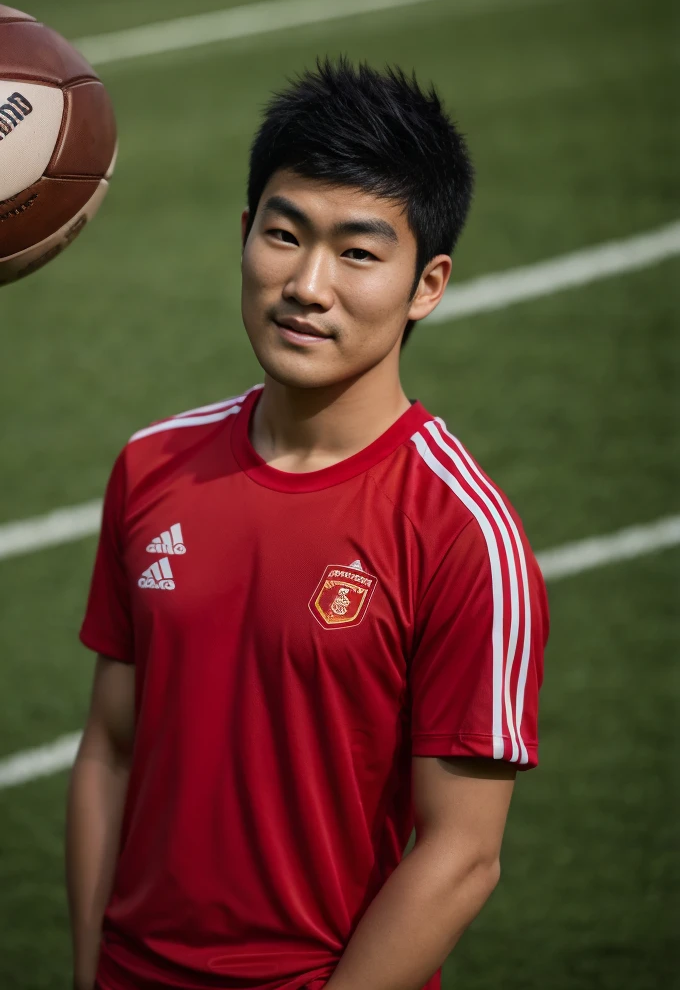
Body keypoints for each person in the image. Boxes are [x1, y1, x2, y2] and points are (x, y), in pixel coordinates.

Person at [66, 55, 549, 990]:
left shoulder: (465, 535)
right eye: (284, 235)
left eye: (360, 252)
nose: (309, 285)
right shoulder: (150, 467)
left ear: (429, 283)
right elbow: (110, 750)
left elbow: (460, 857)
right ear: (245, 232)